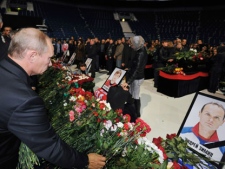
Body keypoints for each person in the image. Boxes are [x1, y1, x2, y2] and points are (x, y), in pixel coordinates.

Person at [0, 28, 106, 169]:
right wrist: (85, 161)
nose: (50, 64)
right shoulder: (25, 100)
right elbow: (49, 146)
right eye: (49, 58)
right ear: (32, 56)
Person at [121, 35, 147, 118]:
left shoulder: (141, 53)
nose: (131, 46)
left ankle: (136, 113)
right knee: (132, 94)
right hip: (135, 76)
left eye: (132, 44)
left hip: (137, 78)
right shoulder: (140, 50)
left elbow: (137, 69)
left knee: (135, 95)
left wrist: (128, 82)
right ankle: (132, 111)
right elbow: (135, 65)